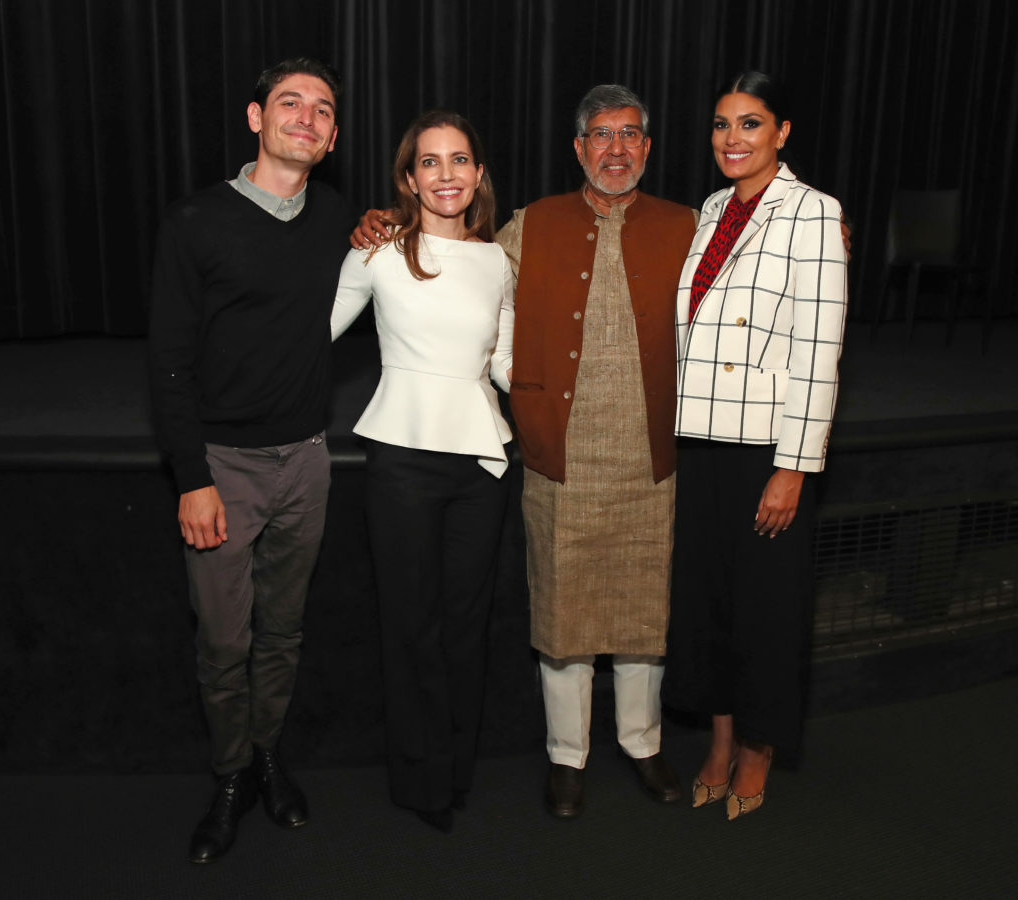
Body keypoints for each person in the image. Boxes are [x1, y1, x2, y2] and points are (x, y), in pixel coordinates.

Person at [353, 84, 696, 818]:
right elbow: (452, 257)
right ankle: (566, 758)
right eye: (600, 135)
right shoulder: (529, 226)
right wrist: (379, 225)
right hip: (555, 454)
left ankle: (641, 741)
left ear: (647, 146)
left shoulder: (686, 226)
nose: (616, 149)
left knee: (643, 608)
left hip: (648, 453)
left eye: (630, 134)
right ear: (578, 148)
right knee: (564, 613)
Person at [149, 57, 353, 862]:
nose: (307, 117)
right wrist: (191, 476)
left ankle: (269, 753)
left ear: (334, 137)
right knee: (223, 639)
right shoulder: (195, 221)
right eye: (291, 103)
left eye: (324, 110)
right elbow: (167, 361)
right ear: (255, 118)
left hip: (307, 459)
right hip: (222, 467)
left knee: (284, 631)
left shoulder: (337, 214)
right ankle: (230, 772)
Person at [668, 71, 849, 820]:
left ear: (782, 133)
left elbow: (819, 350)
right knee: (706, 603)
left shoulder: (814, 214)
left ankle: (759, 748)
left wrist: (794, 468)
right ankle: (718, 738)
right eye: (720, 124)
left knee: (765, 610)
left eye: (750, 123)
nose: (732, 138)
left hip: (766, 450)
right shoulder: (711, 208)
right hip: (698, 440)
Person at [331, 110, 514, 833]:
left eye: (459, 160)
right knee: (411, 623)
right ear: (409, 178)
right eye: (430, 162)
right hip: (402, 455)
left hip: (481, 461)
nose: (447, 174)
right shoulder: (378, 251)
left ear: (477, 174)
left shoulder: (498, 260)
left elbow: (503, 361)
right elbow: (311, 330)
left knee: (467, 624)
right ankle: (420, 779)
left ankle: (457, 767)